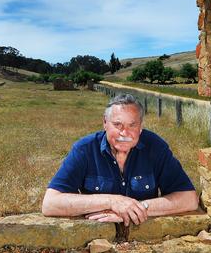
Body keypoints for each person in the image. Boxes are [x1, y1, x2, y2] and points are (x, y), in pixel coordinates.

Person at [41, 93, 198, 226]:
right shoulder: (85, 149)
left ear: (141, 126)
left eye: (132, 125)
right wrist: (112, 201)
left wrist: (134, 209)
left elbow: (189, 199)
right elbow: (50, 204)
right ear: (105, 123)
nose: (125, 133)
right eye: (118, 124)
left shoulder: (155, 147)